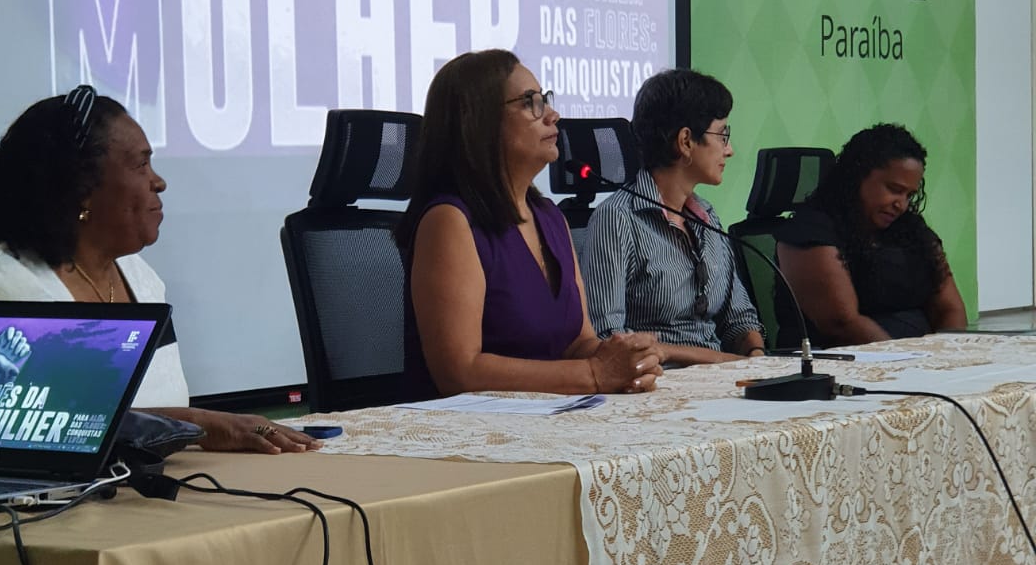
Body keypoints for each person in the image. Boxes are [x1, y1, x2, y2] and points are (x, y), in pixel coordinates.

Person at [0, 86, 320, 454]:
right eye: (141, 164)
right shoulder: (1, 283)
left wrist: (192, 427)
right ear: (81, 186)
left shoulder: (139, 277)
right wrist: (199, 423)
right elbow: (15, 430)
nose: (158, 182)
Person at [396, 49, 662, 398]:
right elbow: (459, 372)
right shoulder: (449, 220)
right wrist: (594, 374)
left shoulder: (550, 217)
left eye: (545, 99)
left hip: (550, 416)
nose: (552, 115)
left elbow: (577, 343)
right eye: (530, 103)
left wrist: (625, 359)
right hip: (468, 425)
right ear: (479, 121)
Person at [581, 68, 765, 365]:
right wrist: (715, 360)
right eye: (723, 135)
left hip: (722, 377)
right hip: (658, 382)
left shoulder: (707, 217)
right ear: (685, 141)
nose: (729, 150)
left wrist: (756, 358)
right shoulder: (617, 219)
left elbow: (739, 319)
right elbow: (608, 338)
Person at [775, 123, 968, 346]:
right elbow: (842, 323)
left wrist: (950, 352)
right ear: (857, 177)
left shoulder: (911, 229)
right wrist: (904, 361)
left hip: (920, 357)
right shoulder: (809, 232)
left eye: (909, 195)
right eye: (894, 189)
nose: (901, 204)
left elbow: (950, 307)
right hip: (848, 359)